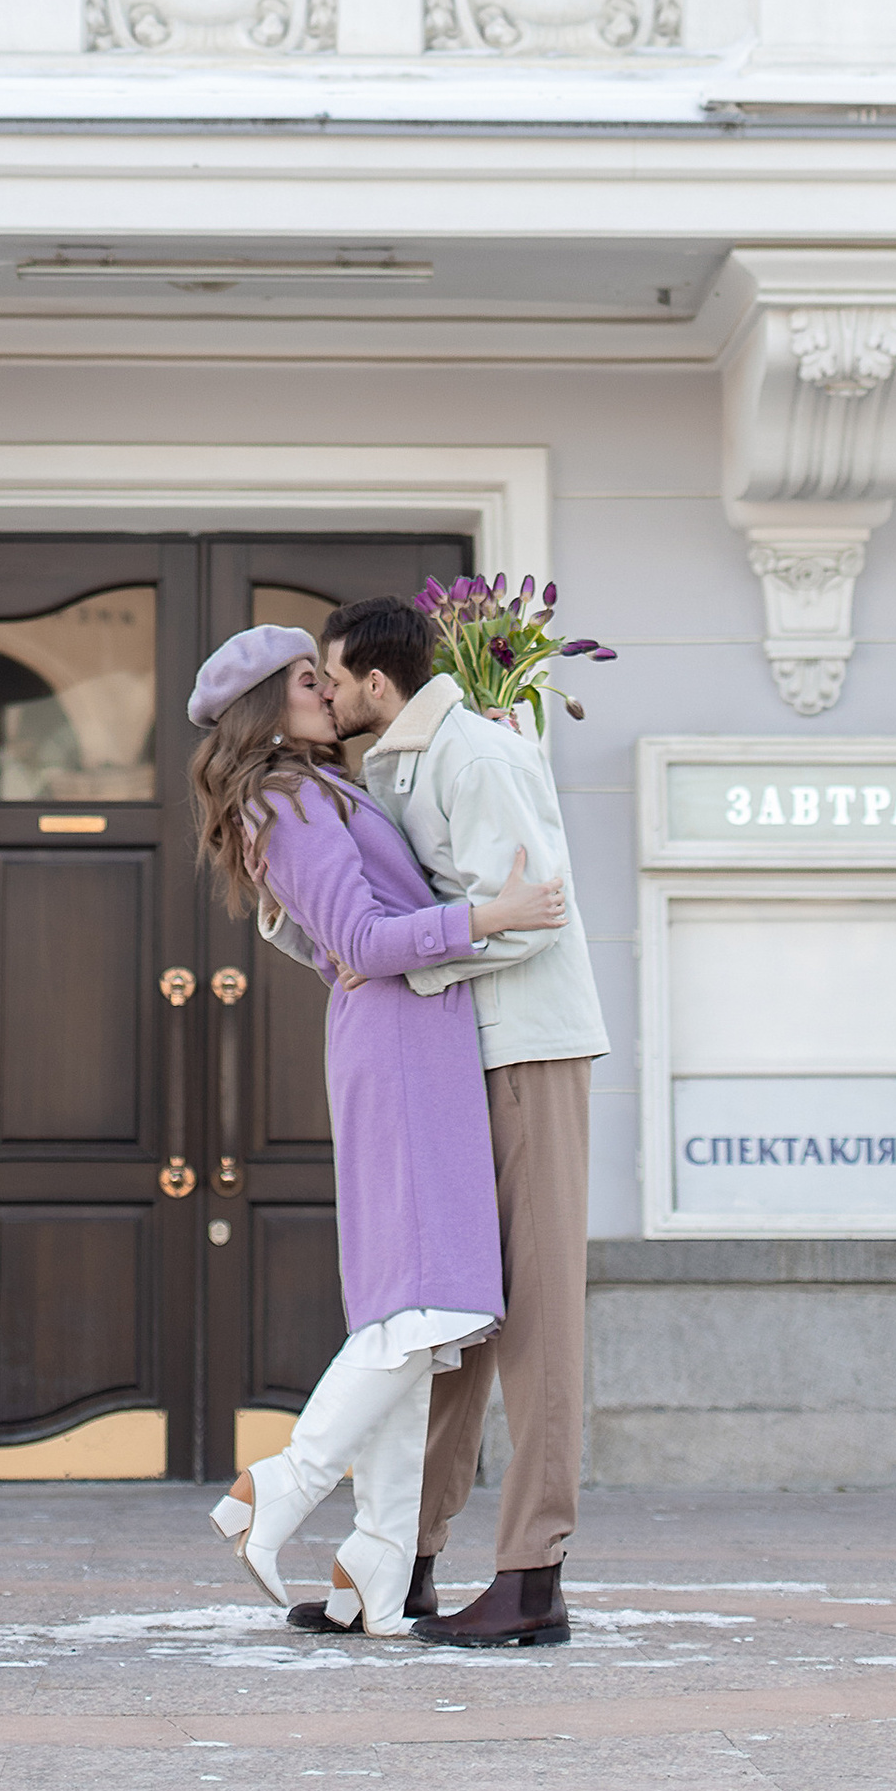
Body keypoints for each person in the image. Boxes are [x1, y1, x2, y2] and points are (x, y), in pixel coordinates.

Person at [185, 620, 567, 1638]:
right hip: (402, 1052)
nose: (328, 694)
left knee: (420, 1314)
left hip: (415, 1043)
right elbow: (357, 937)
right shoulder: (289, 795)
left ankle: (376, 1570)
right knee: (427, 1310)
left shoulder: (322, 788)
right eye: (309, 681)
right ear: (273, 702)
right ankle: (281, 1488)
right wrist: (490, 917)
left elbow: (335, 934)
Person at [316, 594, 609, 1652]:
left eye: (332, 676)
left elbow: (533, 914)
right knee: (453, 1317)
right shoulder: (396, 763)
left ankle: (533, 1574)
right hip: (464, 1056)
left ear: (376, 682)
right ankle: (412, 1558)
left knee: (536, 1323)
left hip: (527, 1047)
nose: (325, 693)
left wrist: (405, 956)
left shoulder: (472, 754)